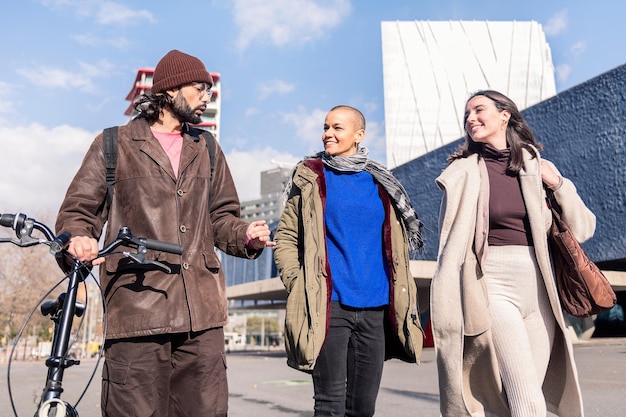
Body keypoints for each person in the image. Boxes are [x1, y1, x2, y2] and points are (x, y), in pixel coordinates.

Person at [55, 49, 274, 417]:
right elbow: (78, 213)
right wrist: (78, 238)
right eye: (200, 88)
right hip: (137, 310)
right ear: (170, 89)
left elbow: (221, 218)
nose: (208, 97)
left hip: (201, 316)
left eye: (210, 90)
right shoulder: (113, 144)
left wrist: (246, 234)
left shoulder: (207, 147)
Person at [431, 90, 595, 416]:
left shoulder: (536, 167)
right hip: (492, 283)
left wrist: (559, 183)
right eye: (466, 115)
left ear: (505, 115)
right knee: (528, 402)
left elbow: (583, 229)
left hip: (539, 286)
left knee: (519, 396)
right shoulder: (464, 173)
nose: (471, 119)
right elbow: (449, 241)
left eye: (479, 110)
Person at [273, 105, 424, 417]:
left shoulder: (382, 183)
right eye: (326, 127)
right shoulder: (311, 177)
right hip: (329, 306)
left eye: (337, 128)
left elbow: (396, 245)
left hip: (375, 309)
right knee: (329, 405)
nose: (328, 133)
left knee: (362, 408)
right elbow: (286, 235)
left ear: (359, 135)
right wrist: (296, 281)